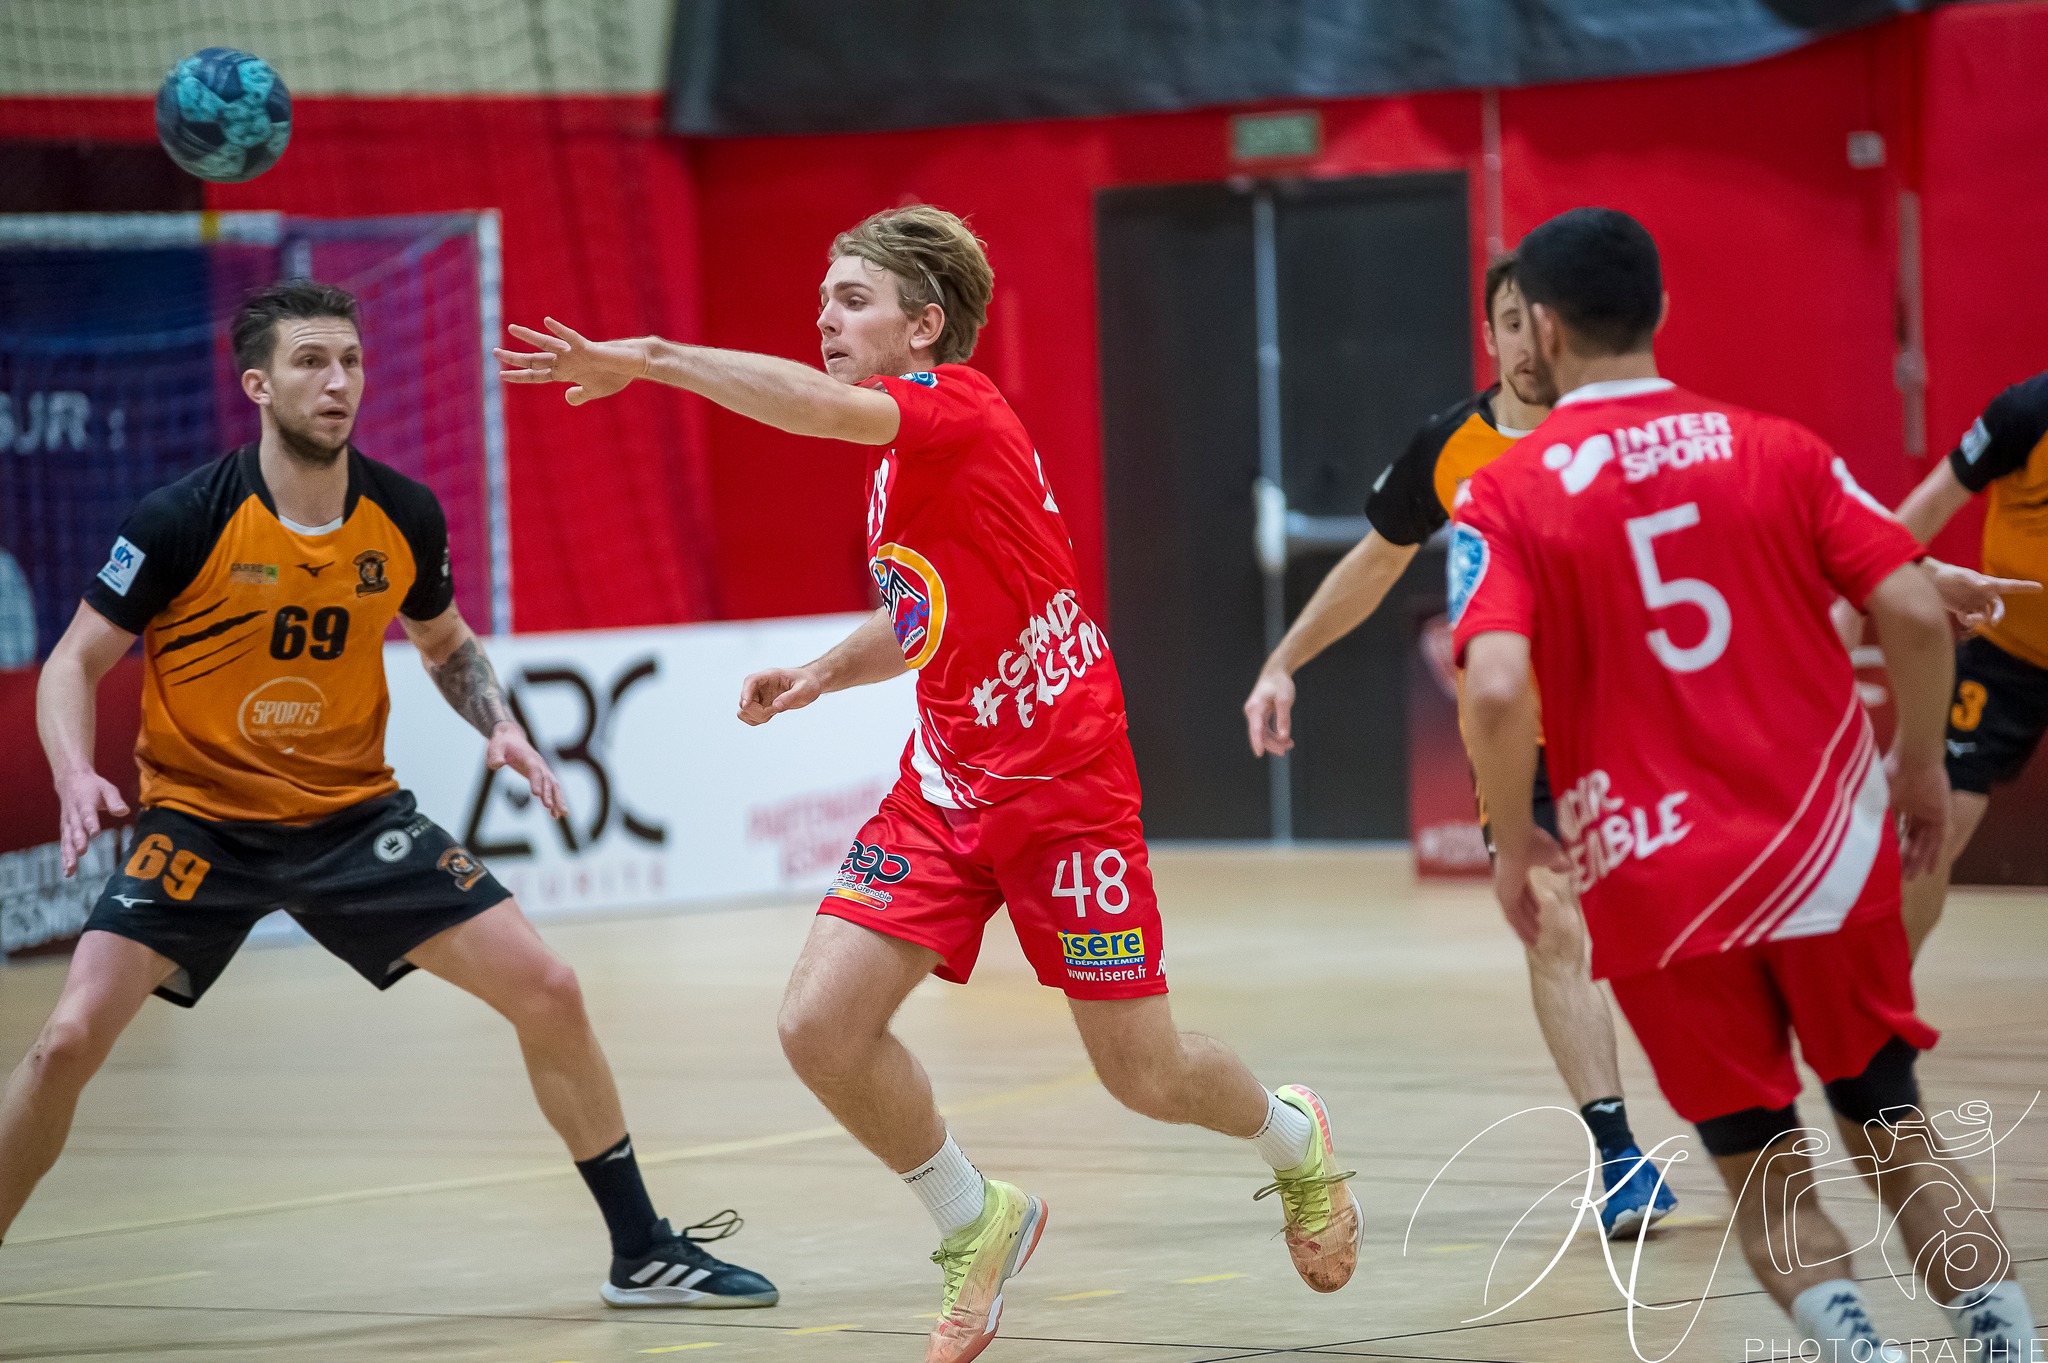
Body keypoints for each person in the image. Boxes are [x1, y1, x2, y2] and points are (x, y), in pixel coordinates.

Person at [497, 205, 1360, 1362]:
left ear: (924, 325)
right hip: (947, 786)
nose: (824, 318)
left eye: (850, 299)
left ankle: (1290, 1138)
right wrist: (819, 671)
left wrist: (650, 359)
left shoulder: (957, 405)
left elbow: (810, 409)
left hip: (1065, 788)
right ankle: (975, 1217)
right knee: (818, 1026)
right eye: (822, 298)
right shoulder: (902, 465)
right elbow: (922, 615)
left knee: (1144, 1077)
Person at [0, 280, 777, 1311]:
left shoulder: (401, 512)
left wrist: (496, 719)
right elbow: (70, 663)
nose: (338, 382)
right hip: (203, 825)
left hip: (351, 818)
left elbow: (446, 644)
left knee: (549, 989)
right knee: (62, 1042)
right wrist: (73, 773)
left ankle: (640, 1249)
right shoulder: (182, 518)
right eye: (313, 362)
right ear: (257, 384)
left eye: (352, 361)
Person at [1454, 207, 2038, 1362]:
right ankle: (2007, 1346)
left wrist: (1517, 848)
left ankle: (1859, 1352)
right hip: (1823, 853)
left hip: (1657, 884)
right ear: (1660, 311)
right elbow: (1914, 611)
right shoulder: (1775, 446)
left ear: (1548, 329)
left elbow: (1493, 685)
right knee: (1894, 1134)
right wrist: (1917, 765)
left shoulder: (1505, 495)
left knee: (1762, 1171)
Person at [1243, 253, 1676, 1239]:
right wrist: (1282, 659)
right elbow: (1374, 561)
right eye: (1509, 322)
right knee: (1553, 922)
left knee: (1668, 929)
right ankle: (1616, 1153)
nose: (1529, 341)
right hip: (1520, 738)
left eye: (1542, 320)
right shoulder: (1452, 444)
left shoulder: (1619, 431)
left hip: (1634, 721)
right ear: (1491, 334)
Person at [1838, 374, 2048, 958]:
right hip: (2011, 655)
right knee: (1935, 825)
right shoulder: (2027, 414)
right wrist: (1858, 591)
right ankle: (1883, 1000)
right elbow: (1924, 509)